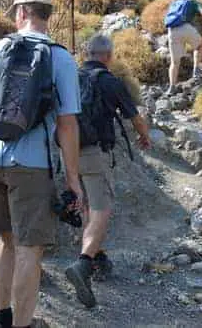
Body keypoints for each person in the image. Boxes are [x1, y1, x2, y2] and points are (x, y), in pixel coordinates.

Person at [0, 0, 84, 328]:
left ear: (20, 14)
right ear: (47, 15)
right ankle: (22, 324)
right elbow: (68, 123)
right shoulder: (59, 57)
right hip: (32, 163)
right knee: (31, 248)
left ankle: (3, 317)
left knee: (6, 240)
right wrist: (73, 179)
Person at [63, 34, 152, 308]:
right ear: (108, 56)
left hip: (68, 152)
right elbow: (133, 115)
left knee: (88, 203)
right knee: (102, 208)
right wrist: (144, 136)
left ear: (85, 53)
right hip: (94, 152)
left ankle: (99, 257)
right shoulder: (109, 81)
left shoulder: (70, 78)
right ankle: (84, 262)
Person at [165, 0, 202, 90]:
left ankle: (171, 87)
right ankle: (196, 70)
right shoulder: (194, 1)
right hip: (185, 27)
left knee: (174, 62)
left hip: (171, 31)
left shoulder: (176, 1)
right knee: (199, 45)